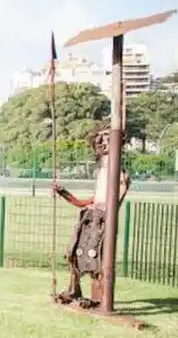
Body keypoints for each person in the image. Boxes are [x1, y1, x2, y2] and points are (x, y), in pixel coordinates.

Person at [52, 123, 131, 308]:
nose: (101, 142)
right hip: (89, 218)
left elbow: (113, 202)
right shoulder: (102, 173)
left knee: (98, 258)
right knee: (73, 253)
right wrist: (64, 193)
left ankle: (98, 298)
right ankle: (74, 289)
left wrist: (103, 217)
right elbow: (87, 201)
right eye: (100, 138)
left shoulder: (120, 175)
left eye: (107, 138)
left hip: (102, 221)